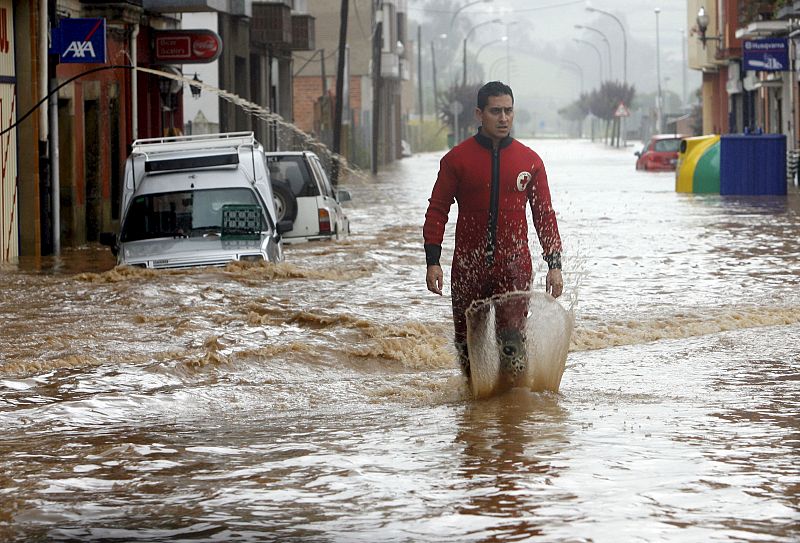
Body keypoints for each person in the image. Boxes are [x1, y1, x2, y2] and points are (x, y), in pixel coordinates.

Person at [423, 81, 563, 380]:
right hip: (468, 265)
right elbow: (437, 210)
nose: (503, 118)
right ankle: (475, 402)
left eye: (508, 111)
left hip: (513, 264)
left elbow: (544, 215)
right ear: (479, 114)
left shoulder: (530, 161)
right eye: (496, 111)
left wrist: (554, 265)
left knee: (511, 339)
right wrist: (433, 260)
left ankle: (512, 405)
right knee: (465, 342)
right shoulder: (456, 160)